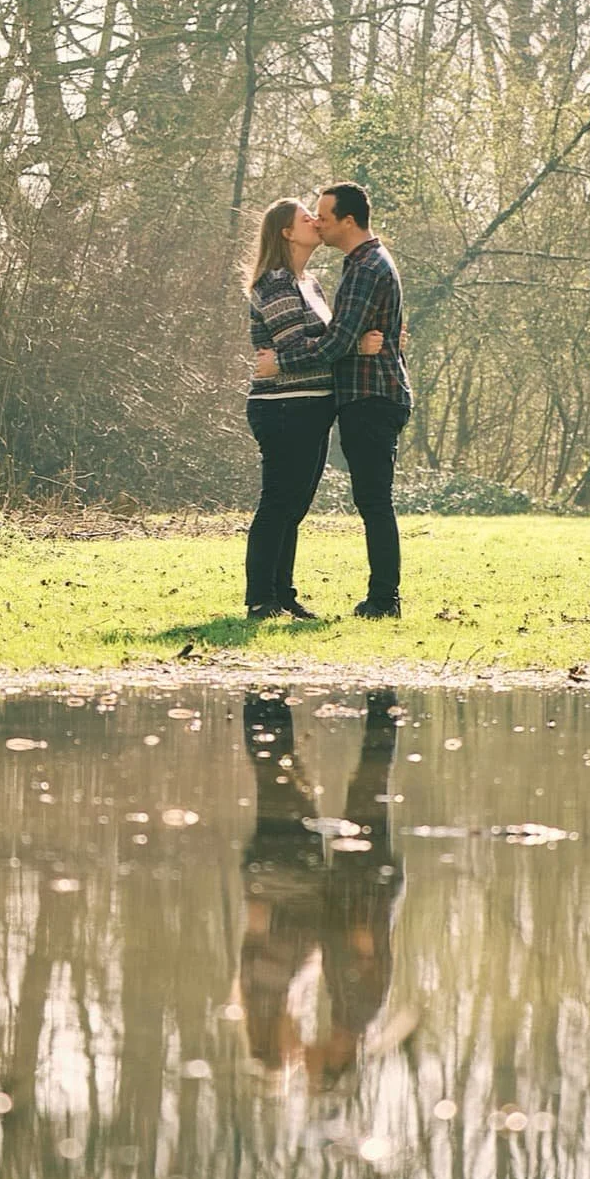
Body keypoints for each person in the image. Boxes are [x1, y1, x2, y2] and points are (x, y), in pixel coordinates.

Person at [253, 181, 411, 619]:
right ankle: (271, 596)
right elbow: (344, 337)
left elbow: (336, 340)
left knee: (373, 501)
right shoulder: (355, 266)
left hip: (371, 395)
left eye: (323, 216)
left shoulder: (364, 268)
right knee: (296, 502)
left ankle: (384, 599)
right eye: (311, 217)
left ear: (348, 220)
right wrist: (362, 342)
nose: (318, 223)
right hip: (328, 400)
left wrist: (281, 362)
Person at [237, 690, 405, 1090]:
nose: (301, 1057)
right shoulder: (353, 1011)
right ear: (334, 1060)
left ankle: (266, 698)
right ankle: (378, 700)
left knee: (286, 776)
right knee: (360, 781)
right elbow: (362, 941)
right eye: (307, 1067)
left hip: (291, 878)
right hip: (352, 885)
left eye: (294, 1061)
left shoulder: (277, 1000)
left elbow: (261, 930)